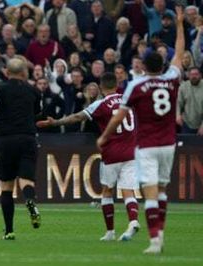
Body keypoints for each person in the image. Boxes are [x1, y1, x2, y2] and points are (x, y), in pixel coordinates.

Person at [97, 6, 185, 254]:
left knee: (149, 193)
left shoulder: (136, 85)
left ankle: (155, 239)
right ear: (163, 64)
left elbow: (119, 117)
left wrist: (104, 136)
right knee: (162, 191)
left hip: (146, 145)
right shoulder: (172, 78)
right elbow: (179, 52)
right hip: (169, 143)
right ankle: (161, 234)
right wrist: (179, 25)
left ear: (143, 66)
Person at [37, 73, 140, 241]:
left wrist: (55, 123)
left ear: (101, 87)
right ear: (117, 85)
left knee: (107, 191)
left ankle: (110, 232)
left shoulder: (101, 104)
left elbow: (78, 117)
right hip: (131, 153)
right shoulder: (129, 100)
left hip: (111, 153)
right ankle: (133, 221)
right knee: (128, 190)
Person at [0, 58, 42, 240]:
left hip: (6, 140)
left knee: (7, 186)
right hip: (27, 139)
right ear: (25, 72)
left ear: (6, 73)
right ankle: (30, 201)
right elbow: (37, 113)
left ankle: (9, 231)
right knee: (26, 180)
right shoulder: (34, 90)